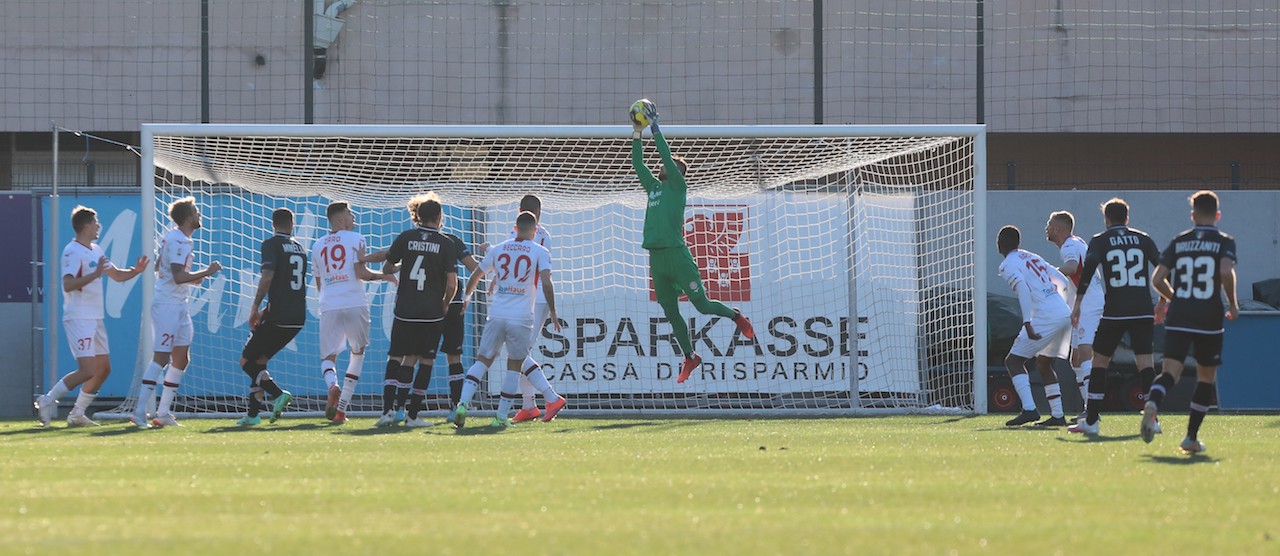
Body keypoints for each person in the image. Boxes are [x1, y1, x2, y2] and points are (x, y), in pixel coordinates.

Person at [630, 101, 755, 383]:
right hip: (657, 258)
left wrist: (655, 127)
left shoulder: (677, 185)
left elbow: (664, 152)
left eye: (669, 163)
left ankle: (736, 317)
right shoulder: (654, 187)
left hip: (677, 255)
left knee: (701, 305)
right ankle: (690, 357)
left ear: (677, 172)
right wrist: (637, 132)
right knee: (671, 312)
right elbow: (638, 163)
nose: (663, 164)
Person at [449, 211, 566, 429]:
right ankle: (500, 417)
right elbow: (547, 283)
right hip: (520, 317)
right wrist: (553, 311)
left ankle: (462, 404)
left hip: (497, 314)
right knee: (514, 366)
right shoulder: (540, 251)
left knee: (482, 361)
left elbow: (476, 275)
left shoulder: (500, 248)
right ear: (535, 230)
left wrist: (467, 298)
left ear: (514, 228)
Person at [1141, 191, 1238, 453]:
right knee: (1206, 376)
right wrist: (1233, 304)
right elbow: (1226, 271)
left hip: (1180, 314)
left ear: (1193, 215)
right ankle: (1190, 438)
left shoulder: (1180, 241)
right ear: (1217, 215)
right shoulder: (1224, 241)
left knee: (1170, 372)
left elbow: (1158, 279)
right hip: (1209, 316)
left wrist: (1175, 299)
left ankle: (1152, 402)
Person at [35, 206, 149, 427]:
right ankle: (47, 400)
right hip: (78, 317)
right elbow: (68, 284)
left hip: (95, 317)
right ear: (86, 225)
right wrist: (93, 275)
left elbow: (116, 275)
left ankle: (77, 414)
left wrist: (135, 271)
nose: (99, 226)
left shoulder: (96, 250)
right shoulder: (72, 251)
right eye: (96, 222)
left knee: (104, 368)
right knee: (87, 370)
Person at [1068, 198, 1162, 435]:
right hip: (1142, 308)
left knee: (1100, 362)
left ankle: (1092, 420)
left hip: (1115, 311)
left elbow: (1087, 271)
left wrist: (1077, 303)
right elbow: (1162, 269)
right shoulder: (1143, 239)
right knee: (1145, 364)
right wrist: (1164, 300)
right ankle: (1153, 419)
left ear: (1107, 219)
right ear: (1127, 218)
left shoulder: (1101, 240)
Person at [133, 197, 222, 428]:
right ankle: (140, 411)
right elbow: (177, 276)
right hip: (168, 306)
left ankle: (163, 413)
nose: (199, 215)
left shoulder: (175, 238)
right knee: (161, 358)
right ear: (188, 217)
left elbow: (164, 269)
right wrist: (207, 272)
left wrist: (193, 280)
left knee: (181, 358)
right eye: (196, 212)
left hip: (178, 304)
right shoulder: (180, 241)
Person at [376, 193, 457, 428]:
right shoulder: (445, 243)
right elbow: (452, 283)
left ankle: (388, 412)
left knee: (396, 358)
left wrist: (404, 264)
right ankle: (412, 415)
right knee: (426, 361)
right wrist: (445, 303)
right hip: (431, 312)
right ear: (439, 217)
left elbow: (388, 267)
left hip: (405, 309)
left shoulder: (406, 237)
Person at [312, 202, 396, 425]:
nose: (353, 216)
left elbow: (319, 284)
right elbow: (362, 272)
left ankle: (332, 385)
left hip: (330, 304)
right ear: (340, 219)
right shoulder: (356, 238)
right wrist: (384, 276)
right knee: (357, 353)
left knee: (328, 357)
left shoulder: (317, 245)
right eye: (349, 213)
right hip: (355, 301)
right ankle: (340, 410)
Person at [233, 208, 307, 426]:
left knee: (246, 361)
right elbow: (290, 286)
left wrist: (255, 306)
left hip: (279, 315)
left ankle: (277, 394)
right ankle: (253, 415)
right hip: (297, 316)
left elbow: (268, 276)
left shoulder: (271, 244)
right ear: (292, 224)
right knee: (260, 360)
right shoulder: (300, 248)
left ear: (273, 224)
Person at [995, 226, 1073, 427]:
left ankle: (1029, 409)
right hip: (1063, 313)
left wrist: (1027, 322)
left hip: (1045, 316)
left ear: (1000, 245)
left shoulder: (1007, 265)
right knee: (1043, 364)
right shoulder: (1032, 257)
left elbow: (1022, 287)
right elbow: (1062, 279)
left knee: (1013, 361)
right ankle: (1058, 416)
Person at [1046, 210, 1105, 422]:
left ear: (1058, 229)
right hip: (1083, 304)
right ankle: (1088, 408)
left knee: (1084, 353)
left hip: (1088, 304)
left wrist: (1047, 274)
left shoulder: (1070, 246)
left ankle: (1093, 411)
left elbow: (1071, 268)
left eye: (1049, 224)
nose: (1047, 228)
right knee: (1076, 359)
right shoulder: (1076, 242)